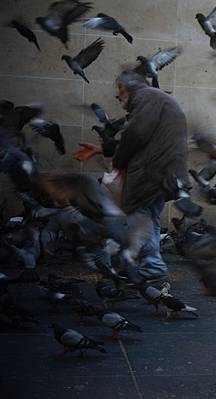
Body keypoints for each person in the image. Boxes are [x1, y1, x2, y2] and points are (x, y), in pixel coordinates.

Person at [74, 70, 190, 281]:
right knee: (148, 217)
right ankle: (149, 264)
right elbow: (144, 138)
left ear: (128, 87)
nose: (117, 96)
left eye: (119, 89)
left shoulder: (146, 97)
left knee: (138, 214)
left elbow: (136, 133)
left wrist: (118, 163)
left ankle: (152, 265)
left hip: (151, 171)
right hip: (163, 171)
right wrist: (103, 149)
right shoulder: (155, 100)